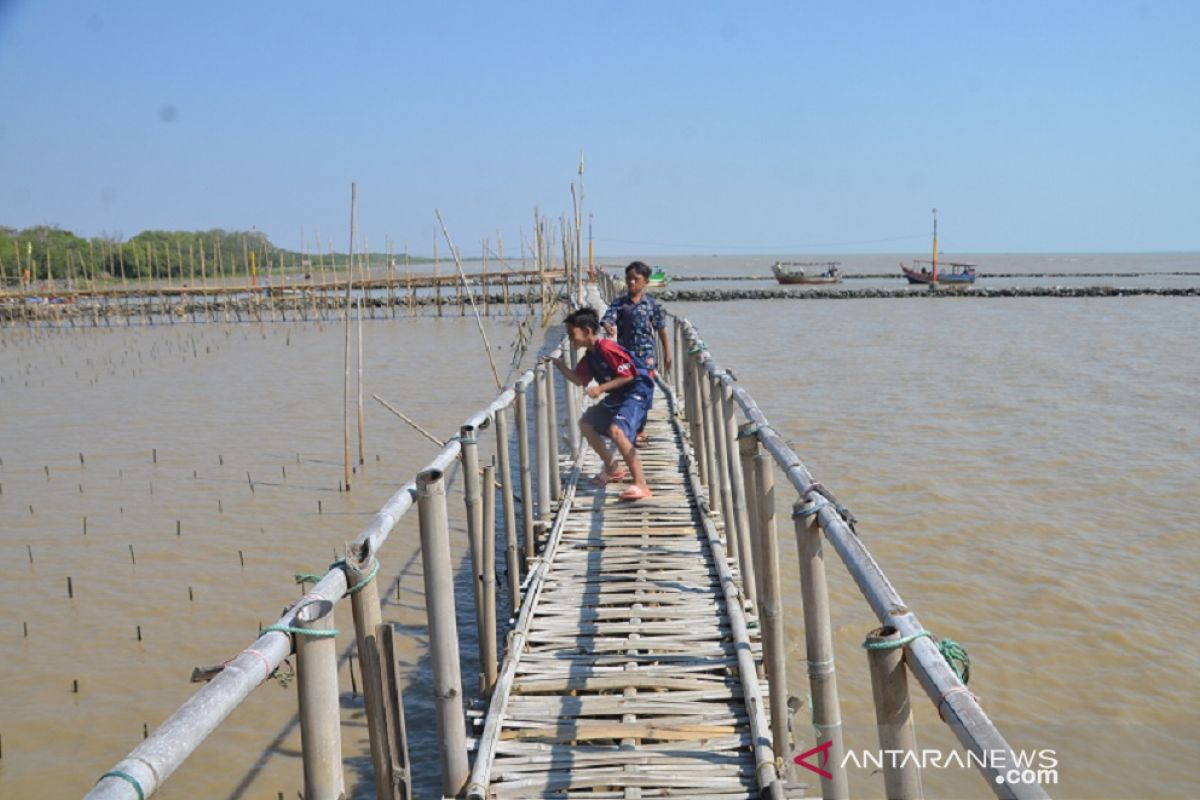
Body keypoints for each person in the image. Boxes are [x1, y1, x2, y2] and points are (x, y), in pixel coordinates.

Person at [546, 306, 654, 502]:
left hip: (636, 390)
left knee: (616, 430)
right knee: (586, 423)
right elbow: (579, 380)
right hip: (619, 393)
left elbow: (629, 376)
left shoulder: (606, 348)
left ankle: (641, 484)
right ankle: (613, 468)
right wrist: (560, 365)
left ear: (587, 331)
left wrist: (600, 389)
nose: (571, 339)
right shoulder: (590, 356)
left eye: (572, 334)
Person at [601, 261, 672, 445]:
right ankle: (627, 426)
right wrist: (608, 326)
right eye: (629, 279)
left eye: (636, 279)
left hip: (647, 358)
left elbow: (661, 329)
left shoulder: (651, 305)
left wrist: (667, 352)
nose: (631, 282)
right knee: (627, 393)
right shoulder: (619, 304)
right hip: (625, 358)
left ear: (645, 282)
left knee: (644, 394)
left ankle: (639, 429)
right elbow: (609, 318)